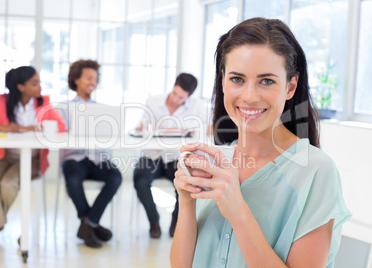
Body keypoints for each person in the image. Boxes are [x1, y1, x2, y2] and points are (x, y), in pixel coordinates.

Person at [171, 17, 351, 267]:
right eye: (237, 79)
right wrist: (187, 202)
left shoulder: (315, 171)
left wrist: (237, 211)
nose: (249, 96)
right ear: (223, 80)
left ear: (290, 86)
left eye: (267, 81)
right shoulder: (214, 162)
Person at [0, 66, 65, 241]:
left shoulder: (43, 103)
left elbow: (60, 127)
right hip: (3, 156)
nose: (40, 87)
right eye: (35, 83)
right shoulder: (2, 102)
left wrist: (27, 128)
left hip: (31, 159)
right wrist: (0, 127)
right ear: (21, 87)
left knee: (8, 183)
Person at [133, 73, 208, 238]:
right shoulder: (153, 101)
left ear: (188, 96)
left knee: (185, 182)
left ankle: (176, 221)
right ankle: (154, 221)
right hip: (151, 155)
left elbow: (198, 131)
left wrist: (165, 130)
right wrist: (179, 130)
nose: (175, 99)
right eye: (174, 93)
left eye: (180, 97)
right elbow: (143, 128)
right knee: (140, 180)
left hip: (176, 156)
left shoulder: (197, 107)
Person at [57, 59, 122, 248]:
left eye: (95, 78)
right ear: (76, 80)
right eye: (88, 77)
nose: (93, 82)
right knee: (73, 179)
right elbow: (60, 135)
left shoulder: (103, 109)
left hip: (97, 158)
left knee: (115, 176)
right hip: (73, 158)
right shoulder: (63, 108)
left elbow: (108, 137)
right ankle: (92, 224)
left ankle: (87, 224)